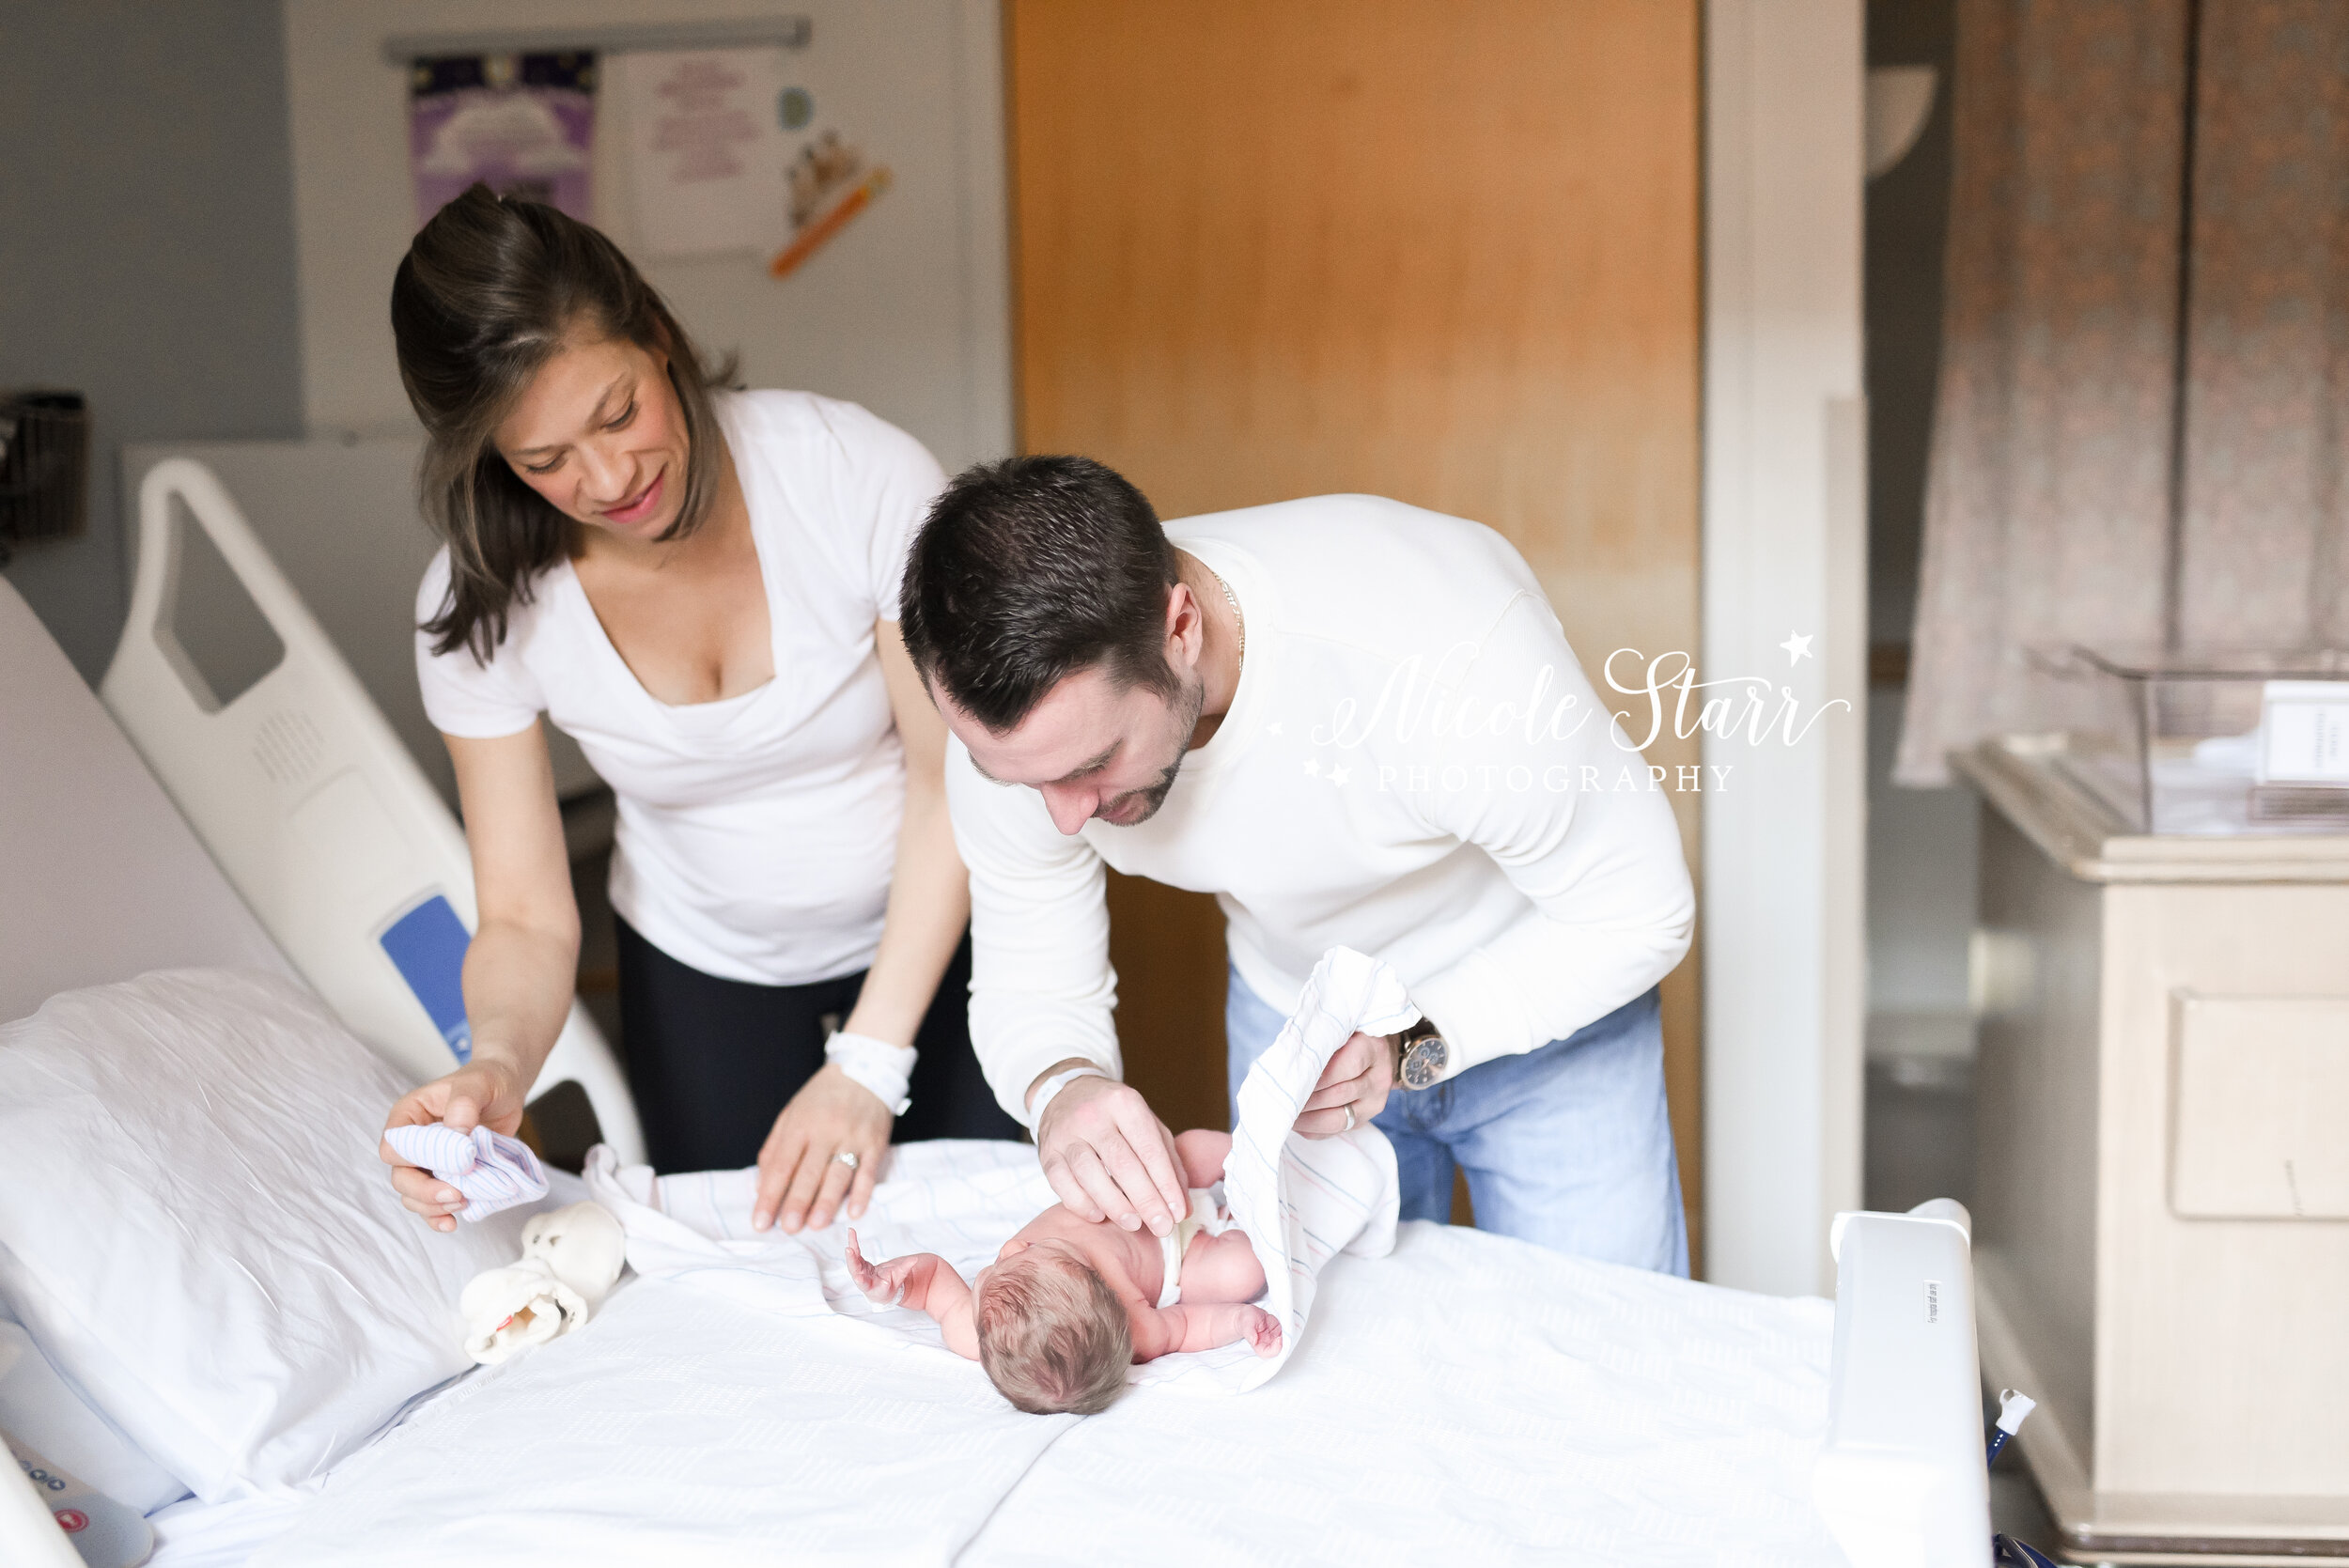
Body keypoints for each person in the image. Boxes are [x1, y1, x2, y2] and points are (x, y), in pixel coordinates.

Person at [378, 185, 1015, 1238]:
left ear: (660, 340)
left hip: (941, 945)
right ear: (492, 458)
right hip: (701, 975)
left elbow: (954, 776)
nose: (609, 475)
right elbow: (528, 916)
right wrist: (495, 1063)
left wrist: (868, 1058)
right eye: (546, 461)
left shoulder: (853, 475)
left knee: (992, 1257)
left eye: (617, 412)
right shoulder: (481, 602)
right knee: (749, 1293)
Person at [897, 457, 1696, 1274]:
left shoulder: (1448, 662)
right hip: (1301, 1029)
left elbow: (1641, 911)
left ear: (1180, 630)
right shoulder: (1018, 742)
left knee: (1605, 1357)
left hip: (1551, 1004)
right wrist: (1061, 1085)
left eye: (1093, 764)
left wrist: (1411, 1036)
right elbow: (1034, 970)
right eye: (1020, 778)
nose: (1064, 815)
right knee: (1335, 1372)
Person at [843, 1128, 1279, 1415]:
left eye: (1003, 1264)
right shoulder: (1138, 1326)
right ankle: (1257, 1207)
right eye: (1028, 1253)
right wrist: (1238, 1321)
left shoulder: (972, 1328)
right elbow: (1186, 1326)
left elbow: (933, 1282)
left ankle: (1264, 1148)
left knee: (1194, 1151)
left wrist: (894, 1285)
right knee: (1242, 1274)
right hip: (1181, 1257)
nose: (1012, 1246)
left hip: (1159, 1192)